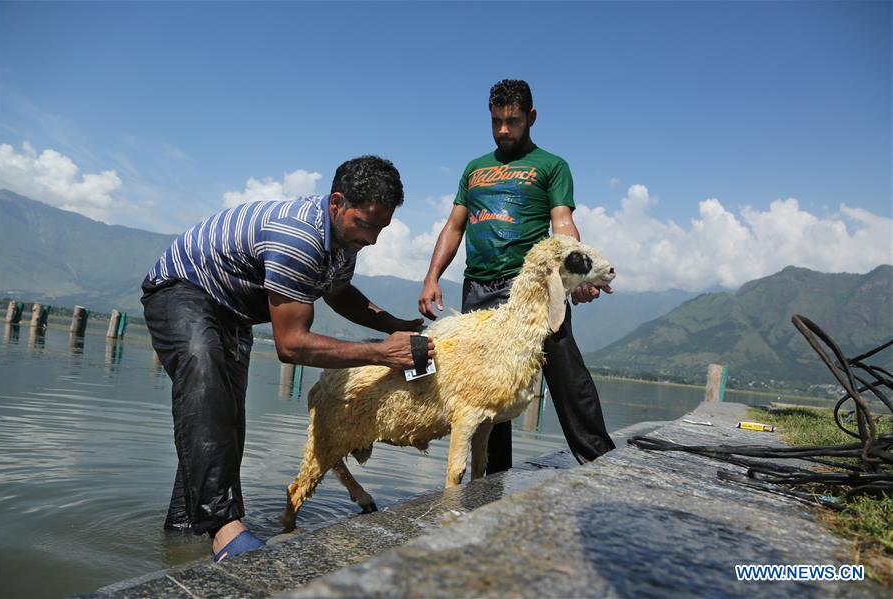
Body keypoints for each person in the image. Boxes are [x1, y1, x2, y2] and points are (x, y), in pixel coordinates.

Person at [142, 155, 433, 562]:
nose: (373, 239)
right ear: (336, 203)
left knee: (225, 421)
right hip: (182, 290)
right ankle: (225, 529)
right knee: (207, 391)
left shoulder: (342, 242)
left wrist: (396, 325)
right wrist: (383, 354)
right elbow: (291, 345)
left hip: (232, 313)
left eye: (381, 228)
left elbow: (338, 292)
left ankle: (183, 530)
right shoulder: (298, 237)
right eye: (365, 225)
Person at [419, 79, 614, 475]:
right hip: (478, 289)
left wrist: (577, 275)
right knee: (488, 388)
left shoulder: (551, 166)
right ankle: (491, 481)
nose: (503, 130)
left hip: (530, 290)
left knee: (565, 370)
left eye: (512, 121)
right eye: (496, 122)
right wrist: (432, 276)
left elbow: (563, 224)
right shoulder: (474, 169)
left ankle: (602, 461)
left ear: (531, 117)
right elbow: (454, 227)